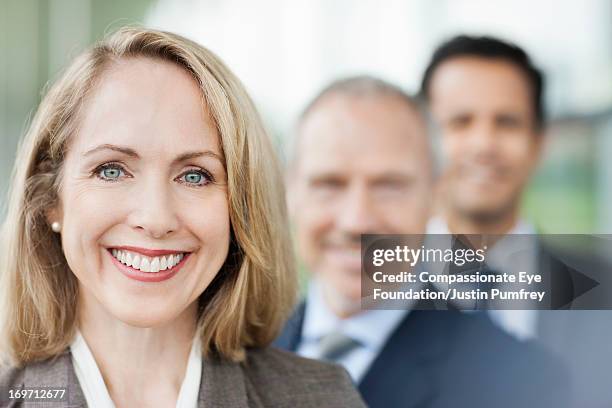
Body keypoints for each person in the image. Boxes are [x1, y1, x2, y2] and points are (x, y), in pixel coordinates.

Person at [0, 27, 365, 408]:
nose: (155, 218)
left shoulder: (323, 398)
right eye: (111, 170)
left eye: (195, 176)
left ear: (239, 208)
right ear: (49, 197)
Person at [275, 76, 569, 407]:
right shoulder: (234, 352)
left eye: (389, 186)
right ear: (291, 191)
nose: (357, 220)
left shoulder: (521, 382)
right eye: (329, 183)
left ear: (435, 194)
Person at [420, 34, 612, 407]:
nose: (484, 144)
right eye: (460, 122)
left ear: (539, 142)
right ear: (421, 141)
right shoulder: (376, 290)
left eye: (507, 122)